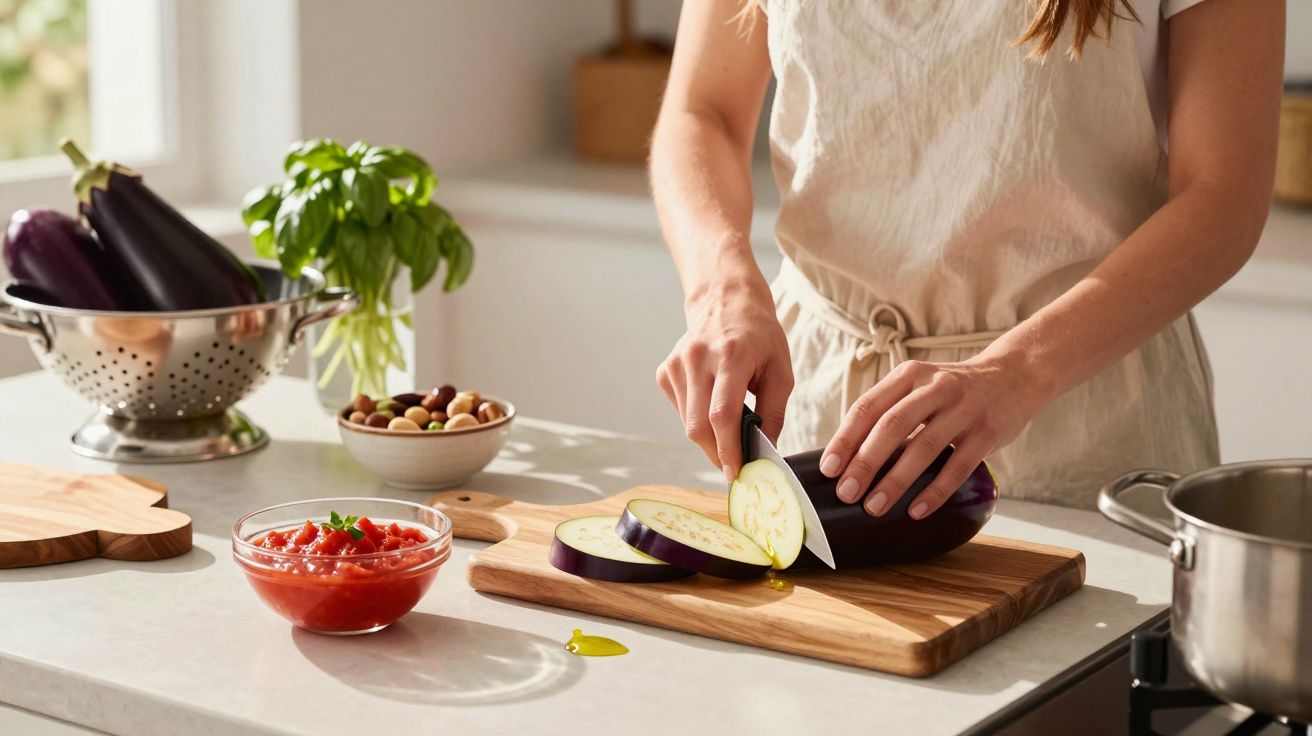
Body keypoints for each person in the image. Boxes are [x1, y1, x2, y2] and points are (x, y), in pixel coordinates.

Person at [650, 0, 1284, 517]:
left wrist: (1015, 372)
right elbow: (703, 110)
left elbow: (1223, 197)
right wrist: (719, 290)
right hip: (820, 409)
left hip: (1086, 417)